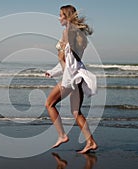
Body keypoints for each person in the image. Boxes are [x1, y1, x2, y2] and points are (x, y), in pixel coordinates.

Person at [45, 5, 98, 154]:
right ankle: (91, 142)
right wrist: (53, 72)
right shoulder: (79, 33)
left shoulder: (68, 32)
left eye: (61, 15)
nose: (59, 17)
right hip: (78, 74)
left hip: (71, 76)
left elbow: (64, 59)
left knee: (49, 104)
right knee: (76, 112)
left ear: (67, 16)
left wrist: (58, 72)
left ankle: (62, 135)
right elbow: (71, 60)